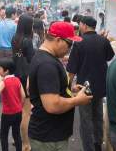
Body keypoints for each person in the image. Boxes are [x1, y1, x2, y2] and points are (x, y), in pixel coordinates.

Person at [28, 21, 92, 150]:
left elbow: (32, 88)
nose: (70, 49)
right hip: (49, 136)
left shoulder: (42, 57)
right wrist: (77, 100)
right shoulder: (47, 65)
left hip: (48, 133)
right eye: (70, 44)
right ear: (58, 40)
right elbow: (52, 105)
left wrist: (66, 89)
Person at [67, 16, 115, 151]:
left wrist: (67, 87)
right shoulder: (103, 40)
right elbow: (109, 56)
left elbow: (71, 69)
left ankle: (89, 148)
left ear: (85, 25)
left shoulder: (79, 42)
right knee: (98, 116)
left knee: (86, 119)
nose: (80, 26)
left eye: (80, 24)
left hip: (84, 87)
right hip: (100, 85)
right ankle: (98, 144)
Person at [0, 59, 25, 151]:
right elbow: (23, 95)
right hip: (18, 112)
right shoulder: (17, 80)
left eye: (0, 69)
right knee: (16, 134)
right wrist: (20, 106)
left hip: (7, 114)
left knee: (3, 135)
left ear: (6, 71)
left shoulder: (4, 82)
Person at [12, 14, 35, 151]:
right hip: (26, 76)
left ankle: (18, 139)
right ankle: (25, 143)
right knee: (26, 112)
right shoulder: (27, 41)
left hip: (16, 74)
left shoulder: (15, 38)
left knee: (20, 110)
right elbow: (32, 60)